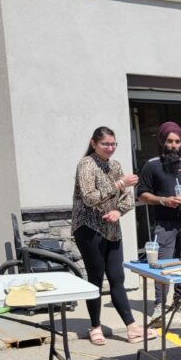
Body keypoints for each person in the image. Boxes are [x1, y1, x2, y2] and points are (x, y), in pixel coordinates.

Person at [71, 126, 154, 345]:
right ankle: (95, 326)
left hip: (111, 229)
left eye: (113, 144)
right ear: (94, 144)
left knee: (118, 278)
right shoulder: (86, 164)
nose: (110, 148)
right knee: (96, 278)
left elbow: (127, 197)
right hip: (88, 227)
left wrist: (119, 210)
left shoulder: (115, 165)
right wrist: (118, 184)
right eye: (105, 144)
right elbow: (90, 197)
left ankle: (132, 327)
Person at [137, 121, 181, 322]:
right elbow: (141, 195)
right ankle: (158, 304)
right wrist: (163, 200)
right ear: (162, 142)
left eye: (177, 141)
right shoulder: (151, 165)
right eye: (170, 141)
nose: (173, 145)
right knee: (161, 264)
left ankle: (180, 300)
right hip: (164, 223)